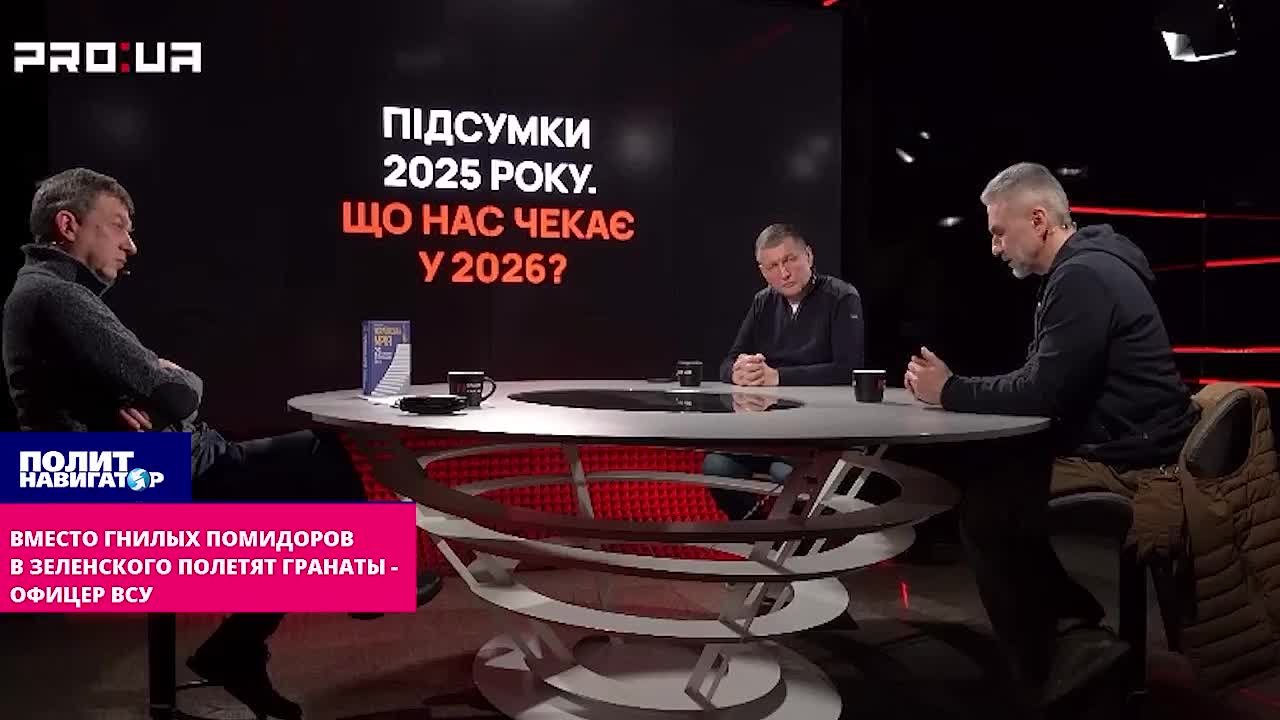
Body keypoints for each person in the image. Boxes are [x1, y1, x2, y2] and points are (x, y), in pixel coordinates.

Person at [2, 168, 442, 720]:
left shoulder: (42, 294)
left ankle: (241, 647)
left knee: (298, 502)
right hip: (126, 485)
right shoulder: (59, 296)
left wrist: (136, 395)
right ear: (68, 225)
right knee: (318, 456)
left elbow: (132, 390)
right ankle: (349, 591)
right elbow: (180, 393)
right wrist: (168, 380)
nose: (130, 244)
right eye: (117, 226)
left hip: (114, 472)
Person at [903, 162, 1200, 710]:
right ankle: (1073, 636)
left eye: (999, 232)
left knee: (987, 510)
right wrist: (958, 390)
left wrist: (950, 390)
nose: (995, 248)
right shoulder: (1081, 269)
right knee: (993, 484)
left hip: (1134, 457)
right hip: (1126, 439)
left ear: (1038, 219)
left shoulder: (1082, 277)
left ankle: (1061, 654)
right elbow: (1042, 378)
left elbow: (1042, 391)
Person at [706, 223, 865, 520]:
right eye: (773, 266)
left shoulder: (841, 297)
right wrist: (737, 373)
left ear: (809, 256)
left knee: (786, 472)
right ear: (763, 271)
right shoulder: (762, 301)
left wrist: (777, 377)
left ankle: (795, 538)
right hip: (768, 432)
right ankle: (760, 532)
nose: (784, 273)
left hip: (817, 433)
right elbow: (728, 361)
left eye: (790, 260)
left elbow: (848, 370)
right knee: (717, 466)